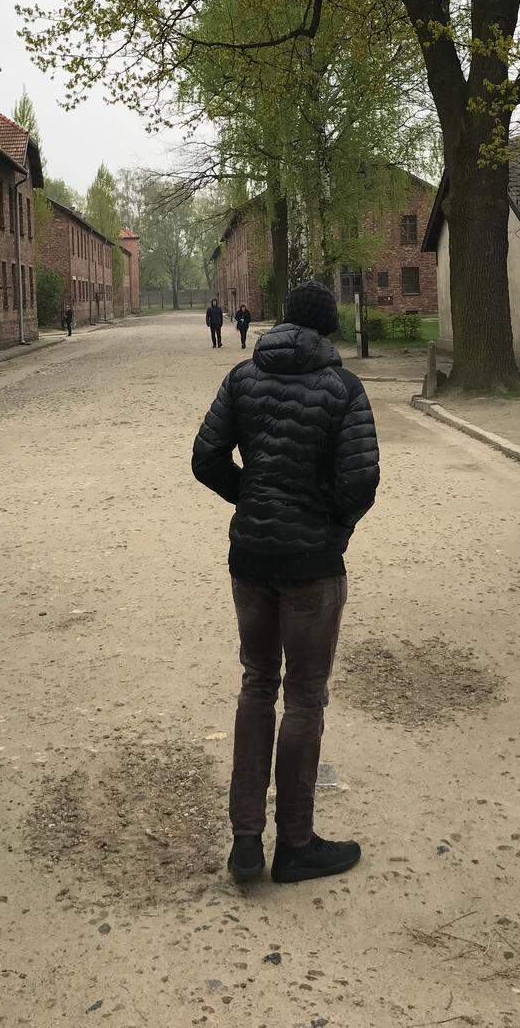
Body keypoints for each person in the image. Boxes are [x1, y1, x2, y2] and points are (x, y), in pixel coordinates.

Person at [192, 279, 380, 885]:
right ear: (327, 330)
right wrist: (333, 526)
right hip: (311, 566)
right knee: (304, 697)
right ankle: (295, 843)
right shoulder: (343, 389)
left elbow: (205, 457)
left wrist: (250, 498)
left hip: (250, 558)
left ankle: (246, 841)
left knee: (255, 685)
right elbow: (361, 482)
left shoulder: (243, 379)